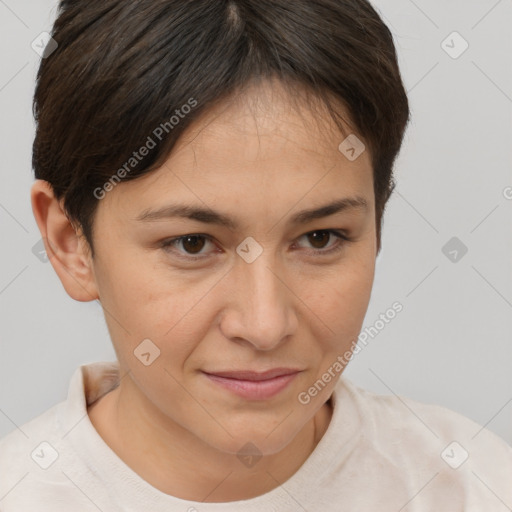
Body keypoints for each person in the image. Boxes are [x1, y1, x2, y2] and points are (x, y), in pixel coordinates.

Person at [1, 0, 511, 510]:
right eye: (192, 244)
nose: (264, 325)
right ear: (71, 245)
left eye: (320, 238)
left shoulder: (477, 488)